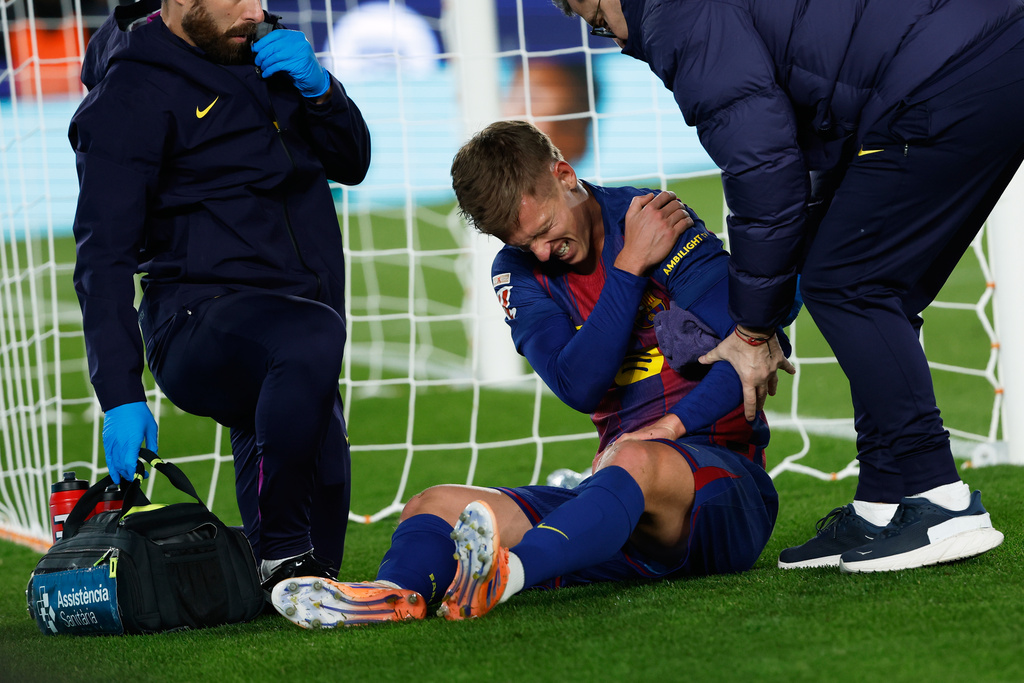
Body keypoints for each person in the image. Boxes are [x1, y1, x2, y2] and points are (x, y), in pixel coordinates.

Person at [547, 0, 1018, 573]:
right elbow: (808, 150)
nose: (611, 39)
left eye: (594, 19)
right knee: (865, 284)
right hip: (976, 54)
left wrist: (750, 327)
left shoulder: (675, 17)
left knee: (852, 284)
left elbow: (764, 169)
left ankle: (939, 497)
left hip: (949, 69)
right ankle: (883, 502)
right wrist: (762, 315)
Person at [268, 120, 781, 628]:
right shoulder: (516, 269)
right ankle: (392, 595)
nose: (538, 252)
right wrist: (627, 273)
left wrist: (669, 428)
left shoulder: (653, 220)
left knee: (635, 458)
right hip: (617, 502)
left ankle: (508, 573)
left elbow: (747, 357)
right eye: (518, 241)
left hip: (721, 499)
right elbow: (579, 385)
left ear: (564, 175)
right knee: (434, 504)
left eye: (543, 231)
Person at [69, 0, 370, 593]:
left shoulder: (263, 47)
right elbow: (102, 259)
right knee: (308, 337)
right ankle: (281, 555)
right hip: (195, 321)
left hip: (294, 324)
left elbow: (352, 162)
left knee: (321, 552)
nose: (255, 9)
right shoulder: (130, 93)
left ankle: (272, 569)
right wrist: (119, 395)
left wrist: (322, 91)